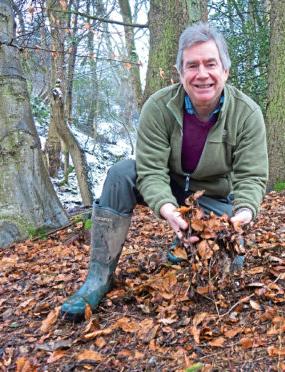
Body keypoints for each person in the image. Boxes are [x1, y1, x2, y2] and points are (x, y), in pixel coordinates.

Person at [61, 22, 268, 322]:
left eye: (211, 64)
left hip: (213, 199)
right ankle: (98, 276)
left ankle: (184, 244)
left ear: (225, 70)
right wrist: (168, 209)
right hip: (169, 186)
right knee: (121, 173)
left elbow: (252, 177)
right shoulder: (158, 108)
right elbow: (150, 169)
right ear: (180, 72)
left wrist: (244, 213)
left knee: (231, 267)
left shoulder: (247, 114)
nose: (202, 74)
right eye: (192, 65)